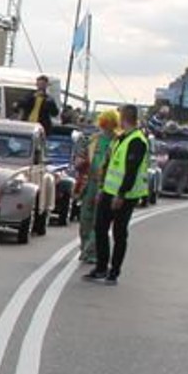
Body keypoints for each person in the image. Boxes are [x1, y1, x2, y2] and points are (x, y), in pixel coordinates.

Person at [86, 104, 149, 285]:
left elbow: (131, 171)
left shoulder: (137, 141)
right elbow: (110, 166)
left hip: (125, 195)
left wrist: (121, 195)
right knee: (100, 228)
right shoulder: (121, 138)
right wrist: (102, 189)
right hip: (109, 191)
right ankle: (101, 267)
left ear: (124, 118)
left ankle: (114, 272)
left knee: (119, 232)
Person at [75, 109, 119, 259]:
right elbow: (81, 159)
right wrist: (80, 163)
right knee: (85, 218)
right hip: (89, 183)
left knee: (99, 220)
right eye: (105, 123)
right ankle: (84, 246)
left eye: (110, 123)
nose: (106, 126)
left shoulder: (117, 142)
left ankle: (92, 251)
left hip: (106, 185)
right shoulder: (93, 140)